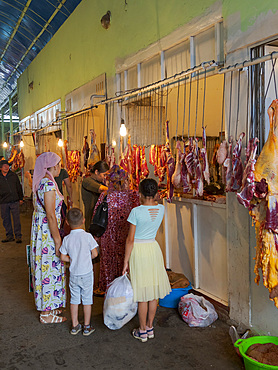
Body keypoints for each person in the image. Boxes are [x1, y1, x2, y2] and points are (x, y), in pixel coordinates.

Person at [122, 178, 171, 342]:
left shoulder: (136, 212)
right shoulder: (161, 209)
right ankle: (150, 327)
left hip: (139, 251)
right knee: (153, 293)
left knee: (142, 294)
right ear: (156, 193)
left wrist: (125, 262)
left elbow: (130, 239)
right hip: (153, 249)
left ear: (140, 194)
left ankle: (142, 330)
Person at [30, 152, 67, 324]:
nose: (60, 167)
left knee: (46, 268)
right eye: (58, 164)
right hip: (47, 233)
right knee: (49, 269)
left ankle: (50, 305)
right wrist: (57, 239)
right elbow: (51, 215)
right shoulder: (49, 185)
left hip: (41, 232)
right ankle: (46, 314)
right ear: (50, 167)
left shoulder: (41, 183)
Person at [94, 165, 139, 294]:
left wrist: (96, 236)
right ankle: (127, 293)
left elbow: (96, 216)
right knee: (126, 261)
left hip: (107, 236)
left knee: (108, 264)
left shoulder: (105, 195)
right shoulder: (133, 195)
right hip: (127, 234)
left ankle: (110, 293)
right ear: (125, 180)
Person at [60, 207, 98, 336]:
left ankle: (75, 325)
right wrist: (85, 258)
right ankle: (87, 327)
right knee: (87, 300)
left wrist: (73, 259)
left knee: (74, 299)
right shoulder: (87, 236)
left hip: (74, 274)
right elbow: (95, 253)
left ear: (67, 222)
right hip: (87, 273)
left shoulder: (66, 239)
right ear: (83, 221)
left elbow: (62, 257)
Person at [81, 160, 109, 232]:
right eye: (104, 175)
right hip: (92, 221)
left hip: (99, 220)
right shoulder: (87, 181)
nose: (105, 177)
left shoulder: (100, 182)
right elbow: (101, 189)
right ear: (96, 172)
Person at [0, 159, 23, 243]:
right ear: (0, 168)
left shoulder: (13, 175)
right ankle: (9, 236)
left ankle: (18, 236)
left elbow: (18, 187)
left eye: (7, 165)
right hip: (3, 201)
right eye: (4, 166)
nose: (6, 167)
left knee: (16, 219)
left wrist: (21, 198)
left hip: (14, 200)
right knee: (6, 219)